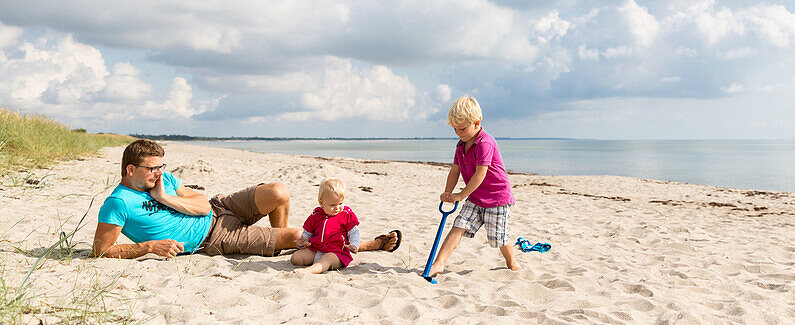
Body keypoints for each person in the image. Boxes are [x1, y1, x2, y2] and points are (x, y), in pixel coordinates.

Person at [92, 139, 401, 259]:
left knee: (278, 191)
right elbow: (101, 250)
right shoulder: (118, 203)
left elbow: (201, 204)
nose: (160, 173)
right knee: (297, 236)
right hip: (214, 237)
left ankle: (285, 243)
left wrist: (165, 197)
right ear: (130, 169)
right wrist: (148, 246)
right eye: (152, 169)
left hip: (218, 207)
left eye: (162, 166)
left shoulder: (164, 181)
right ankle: (366, 245)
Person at [427, 96, 519, 278]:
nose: (458, 132)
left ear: (477, 123)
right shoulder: (461, 145)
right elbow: (455, 170)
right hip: (476, 197)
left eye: (462, 128)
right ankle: (439, 263)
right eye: (454, 129)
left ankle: (511, 261)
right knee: (459, 225)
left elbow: (480, 174)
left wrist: (461, 195)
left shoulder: (485, 143)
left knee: (498, 237)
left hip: (497, 198)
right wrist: (449, 192)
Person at [291, 178, 362, 274]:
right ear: (321, 203)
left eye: (340, 203)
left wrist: (354, 244)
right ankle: (317, 265)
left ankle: (309, 271)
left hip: (337, 253)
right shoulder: (315, 215)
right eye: (332, 205)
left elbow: (354, 232)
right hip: (316, 249)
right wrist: (302, 241)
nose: (337, 208)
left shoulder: (346, 215)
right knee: (296, 258)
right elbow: (307, 233)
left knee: (327, 259)